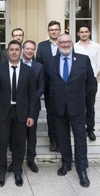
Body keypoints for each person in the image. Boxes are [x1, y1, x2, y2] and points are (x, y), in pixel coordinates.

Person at [46, 34, 94, 187]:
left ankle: (82, 170)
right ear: (58, 44)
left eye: (68, 42)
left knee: (80, 139)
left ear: (72, 43)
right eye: (62, 42)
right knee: (62, 137)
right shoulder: (50, 61)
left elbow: (90, 81)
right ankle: (66, 163)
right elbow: (48, 84)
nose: (65, 44)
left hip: (77, 106)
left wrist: (79, 95)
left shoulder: (83, 60)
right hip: (58, 107)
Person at [0, 40, 36, 187]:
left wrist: (31, 115)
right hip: (4, 112)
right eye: (11, 49)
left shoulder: (29, 71)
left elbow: (32, 95)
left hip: (22, 113)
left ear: (21, 51)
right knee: (2, 142)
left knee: (19, 143)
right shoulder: (0, 69)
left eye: (17, 49)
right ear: (7, 52)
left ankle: (17, 171)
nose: (14, 52)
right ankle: (2, 171)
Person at [36, 20, 61, 152]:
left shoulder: (65, 44)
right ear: (48, 31)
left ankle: (61, 140)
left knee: (62, 114)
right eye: (51, 29)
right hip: (48, 86)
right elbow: (39, 65)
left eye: (56, 29)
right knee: (51, 114)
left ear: (60, 31)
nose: (54, 31)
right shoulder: (42, 46)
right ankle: (53, 140)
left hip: (63, 86)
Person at [74, 23, 100, 141]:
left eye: (86, 32)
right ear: (78, 34)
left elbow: (99, 63)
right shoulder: (74, 47)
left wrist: (92, 76)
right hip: (77, 82)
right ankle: (79, 127)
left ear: (89, 33)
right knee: (78, 105)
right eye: (82, 32)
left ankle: (90, 129)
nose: (84, 34)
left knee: (90, 106)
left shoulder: (96, 46)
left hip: (91, 81)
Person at [22, 40, 45, 173]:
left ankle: (31, 159)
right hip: (18, 106)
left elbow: (42, 87)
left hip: (33, 106)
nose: (30, 51)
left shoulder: (39, 67)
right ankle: (16, 159)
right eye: (27, 48)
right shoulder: (16, 64)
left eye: (32, 49)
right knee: (18, 134)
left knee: (31, 134)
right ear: (23, 49)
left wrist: (31, 99)